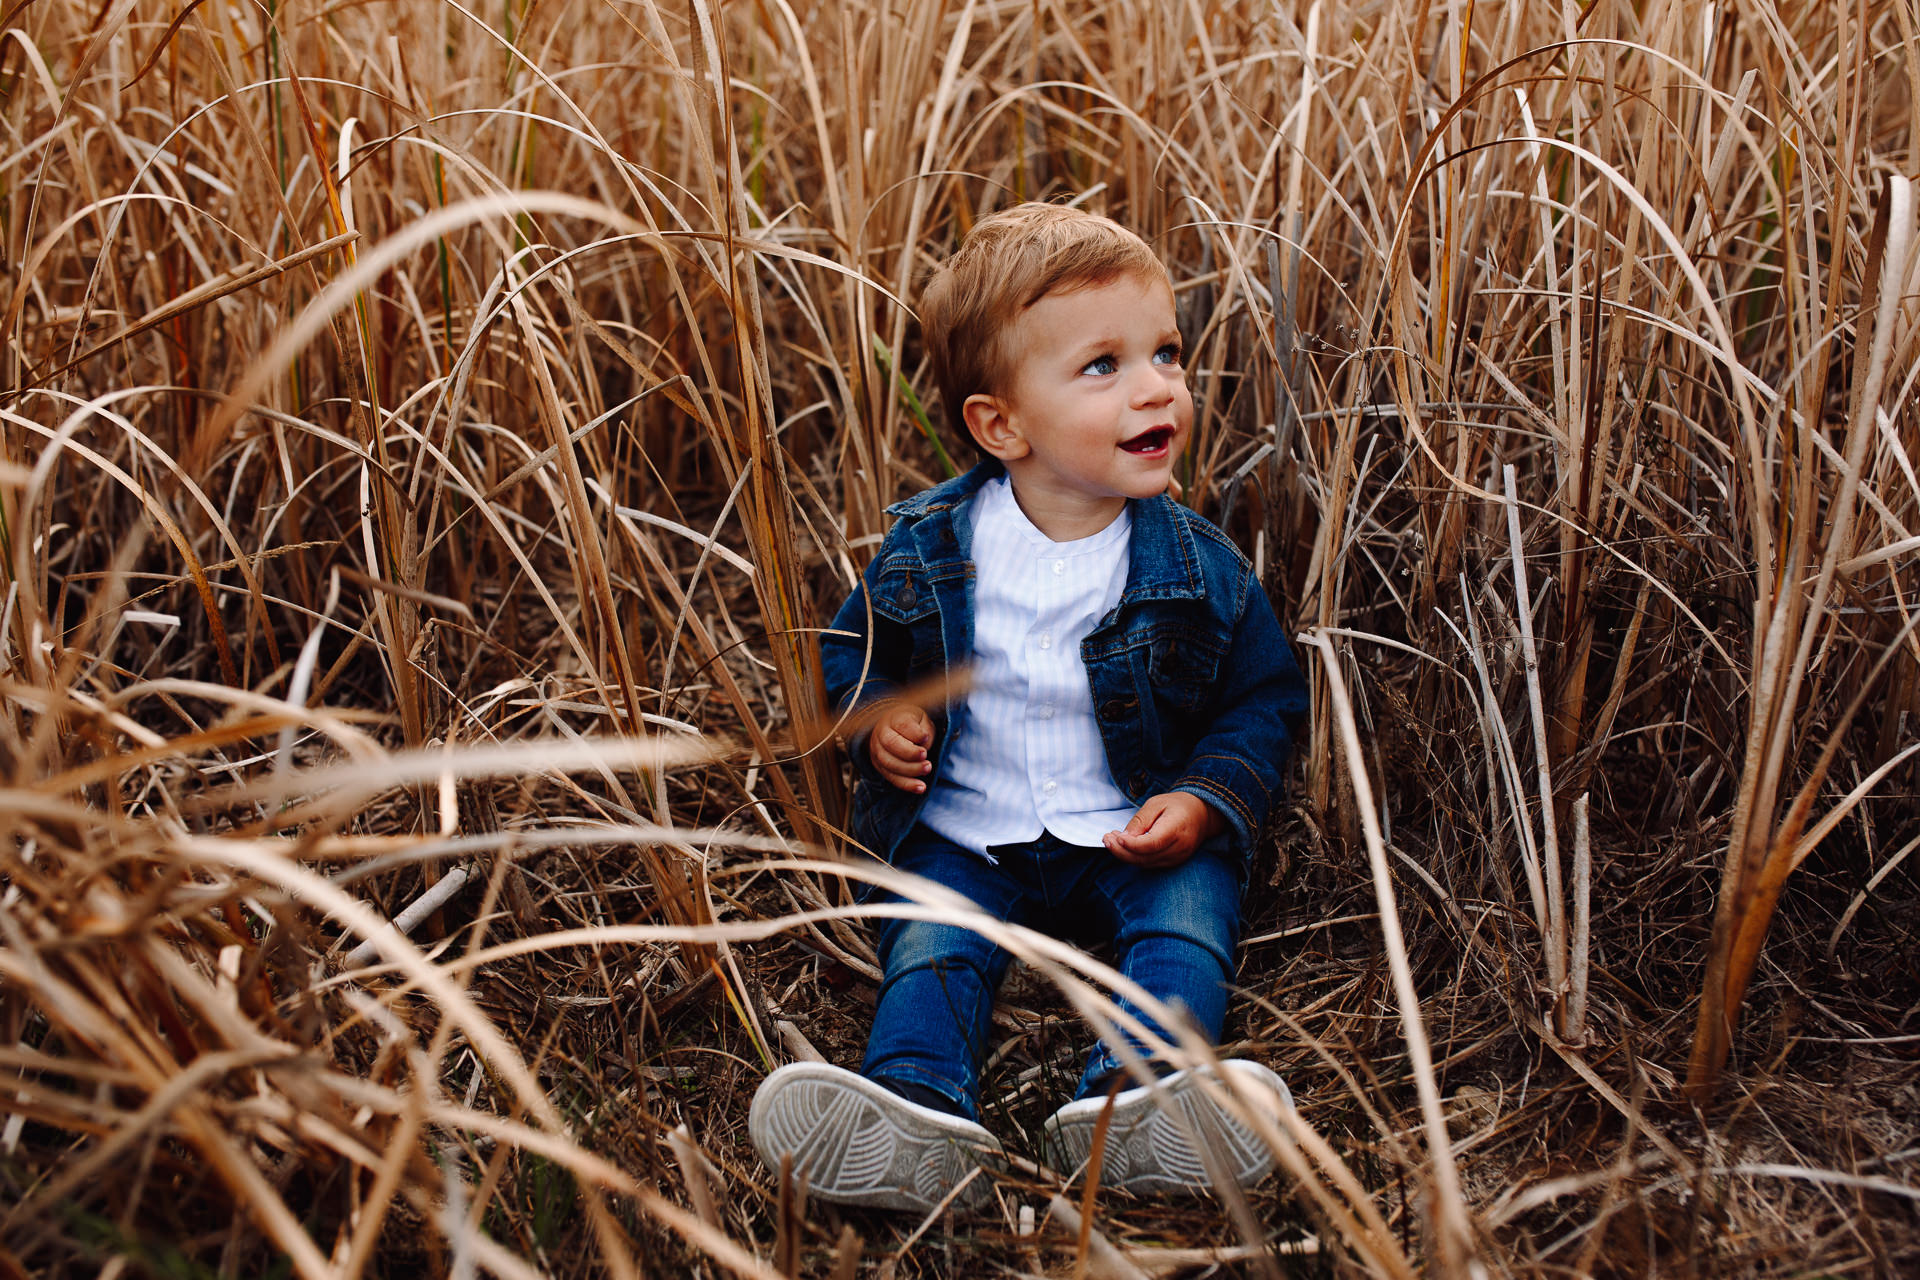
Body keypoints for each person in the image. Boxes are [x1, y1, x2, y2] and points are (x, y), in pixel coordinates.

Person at [749, 202, 1310, 1213]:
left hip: (1130, 826)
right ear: (1000, 423)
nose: (1157, 388)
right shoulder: (932, 549)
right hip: (970, 828)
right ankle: (914, 1106)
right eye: (1104, 366)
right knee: (931, 940)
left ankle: (1135, 1101)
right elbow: (850, 651)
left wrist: (1204, 795)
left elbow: (1263, 693)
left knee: (1186, 928)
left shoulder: (1196, 565)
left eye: (1167, 353)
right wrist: (880, 717)